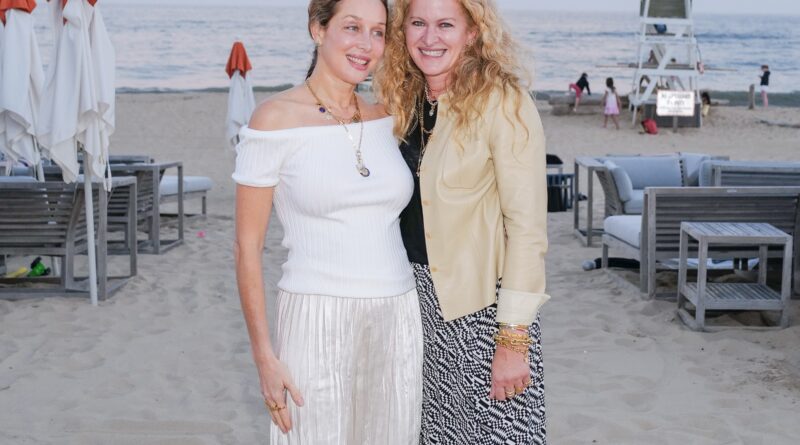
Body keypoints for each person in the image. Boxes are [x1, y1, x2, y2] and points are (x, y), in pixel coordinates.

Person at [232, 0, 423, 443]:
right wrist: (264, 355)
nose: (366, 45)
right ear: (318, 29)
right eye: (352, 27)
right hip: (316, 315)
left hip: (398, 314)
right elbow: (246, 248)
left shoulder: (386, 118)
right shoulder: (274, 120)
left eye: (378, 32)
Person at [376, 0, 551, 443]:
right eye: (417, 23)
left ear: (472, 32)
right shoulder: (403, 99)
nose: (429, 37)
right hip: (413, 308)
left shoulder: (503, 101)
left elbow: (527, 228)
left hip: (482, 311)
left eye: (445, 24)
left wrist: (513, 340)